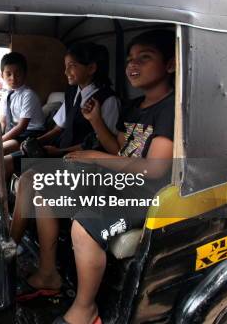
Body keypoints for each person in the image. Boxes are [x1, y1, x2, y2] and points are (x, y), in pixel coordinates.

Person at [22, 30, 176, 324]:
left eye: (145, 59)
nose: (133, 65)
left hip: (148, 193)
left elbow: (154, 169)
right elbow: (118, 148)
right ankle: (48, 273)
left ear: (169, 65)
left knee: (84, 225)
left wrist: (97, 158)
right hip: (121, 182)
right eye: (131, 59)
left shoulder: (169, 109)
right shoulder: (134, 106)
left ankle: (86, 309)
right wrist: (95, 122)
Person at [9, 43, 121, 244]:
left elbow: (98, 145)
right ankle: (11, 223)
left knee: (27, 179)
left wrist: (57, 151)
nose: (66, 71)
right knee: (11, 161)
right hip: (60, 153)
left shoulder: (107, 100)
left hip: (82, 161)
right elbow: (59, 127)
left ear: (91, 68)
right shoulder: (71, 93)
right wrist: (36, 141)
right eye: (65, 66)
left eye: (72, 66)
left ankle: (11, 242)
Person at [0, 52, 45, 201]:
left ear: (25, 74)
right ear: (2, 75)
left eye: (17, 73)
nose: (13, 78)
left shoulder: (28, 95)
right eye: (8, 74)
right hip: (18, 134)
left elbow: (22, 126)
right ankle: (1, 190)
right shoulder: (7, 95)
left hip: (31, 134)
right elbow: (3, 122)